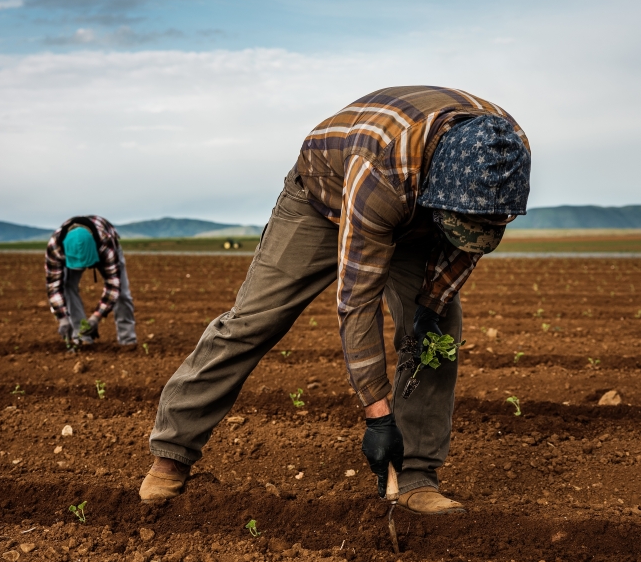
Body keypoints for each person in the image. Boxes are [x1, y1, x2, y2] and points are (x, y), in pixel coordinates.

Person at [140, 86, 530, 514]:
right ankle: (171, 456)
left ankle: (417, 477)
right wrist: (378, 417)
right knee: (253, 321)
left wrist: (430, 309)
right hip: (323, 200)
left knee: (436, 338)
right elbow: (357, 301)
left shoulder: (504, 156)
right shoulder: (380, 166)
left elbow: (466, 246)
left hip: (423, 211)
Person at [45, 215, 137, 347]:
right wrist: (63, 319)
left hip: (105, 248)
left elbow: (113, 286)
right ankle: (82, 336)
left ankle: (128, 341)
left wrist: (96, 318)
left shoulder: (105, 243)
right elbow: (54, 287)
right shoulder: (55, 247)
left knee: (122, 294)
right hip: (68, 253)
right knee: (67, 286)